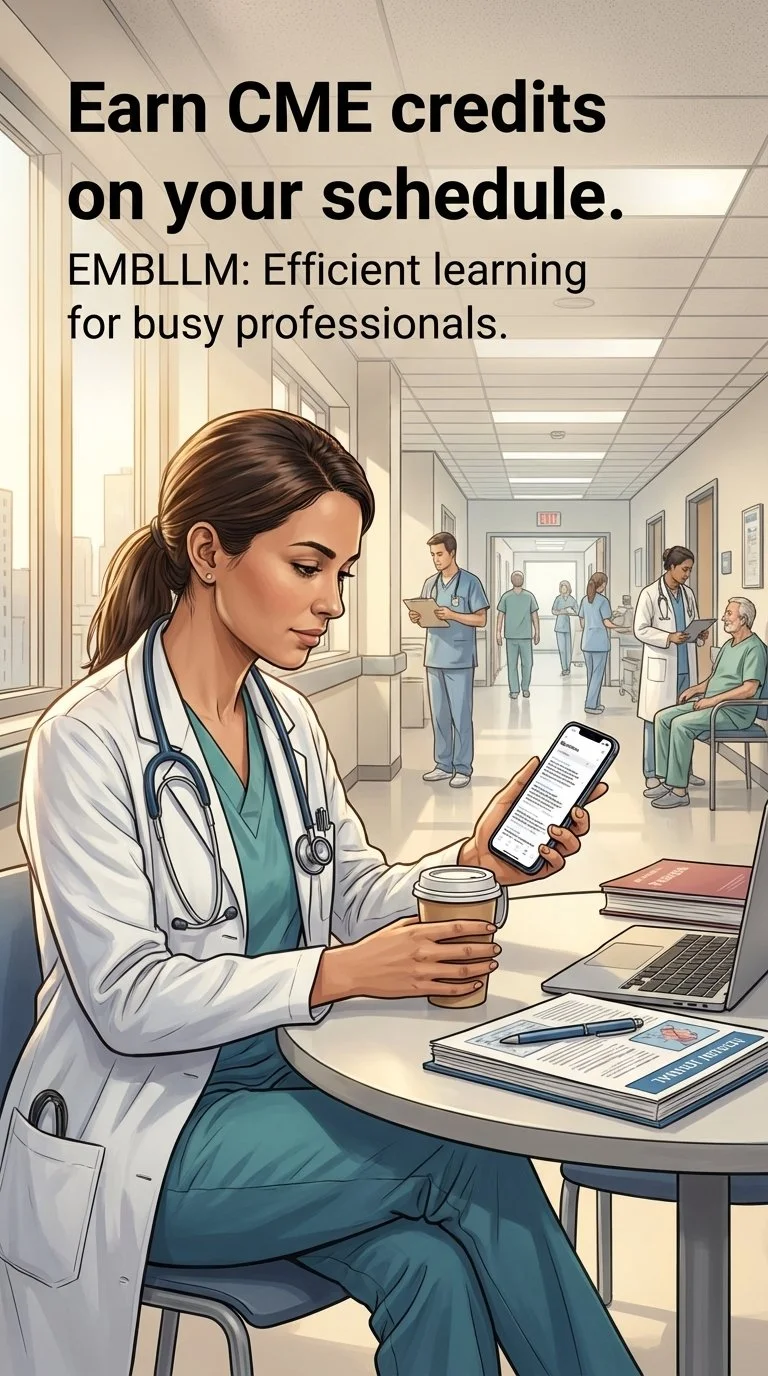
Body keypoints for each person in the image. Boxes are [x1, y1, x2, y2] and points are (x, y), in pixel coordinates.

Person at [0, 412, 641, 1376]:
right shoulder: (86, 741)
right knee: (464, 1153)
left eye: (341, 572)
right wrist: (339, 975)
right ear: (209, 552)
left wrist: (478, 865)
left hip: (288, 1104)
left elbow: (346, 891)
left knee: (435, 1268)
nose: (333, 602)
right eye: (308, 567)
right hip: (147, 1140)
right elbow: (129, 1000)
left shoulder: (286, 721)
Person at [649, 596, 768, 809]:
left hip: (734, 712)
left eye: (729, 614)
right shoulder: (728, 646)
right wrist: (695, 689)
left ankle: (678, 791)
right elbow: (714, 680)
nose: (723, 618)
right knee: (663, 717)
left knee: (681, 724)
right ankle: (667, 779)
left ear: (743, 619)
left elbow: (749, 689)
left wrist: (712, 700)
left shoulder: (755, 648)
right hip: (714, 705)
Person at [409, 532, 489, 788]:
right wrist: (417, 617)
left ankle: (463, 767)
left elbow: (481, 619)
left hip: (460, 659)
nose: (436, 560)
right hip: (434, 657)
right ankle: (443, 765)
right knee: (440, 716)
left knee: (461, 715)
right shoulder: (430, 583)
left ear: (453, 553)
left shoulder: (470, 583)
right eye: (432, 555)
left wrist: (453, 614)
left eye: (440, 554)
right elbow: (425, 615)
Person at [634, 545, 708, 792]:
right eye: (685, 569)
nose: (688, 574)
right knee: (655, 721)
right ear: (671, 567)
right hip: (662, 667)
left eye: (690, 570)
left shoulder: (688, 594)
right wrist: (667, 638)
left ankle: (684, 771)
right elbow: (640, 629)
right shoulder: (649, 594)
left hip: (686, 666)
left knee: (684, 720)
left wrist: (699, 635)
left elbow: (691, 623)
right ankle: (652, 773)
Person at [578, 573, 620, 714]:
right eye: (604, 584)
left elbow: (582, 622)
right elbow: (607, 622)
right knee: (597, 675)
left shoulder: (585, 600)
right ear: (601, 585)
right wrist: (621, 627)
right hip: (600, 643)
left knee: (591, 675)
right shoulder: (603, 600)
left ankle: (595, 703)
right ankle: (590, 706)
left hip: (587, 642)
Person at [497, 571, 539, 699]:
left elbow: (534, 615)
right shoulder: (506, 597)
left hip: (526, 636)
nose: (517, 578)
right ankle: (514, 690)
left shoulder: (529, 596)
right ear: (511, 580)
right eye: (515, 577)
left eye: (519, 576)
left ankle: (525, 687)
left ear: (523, 579)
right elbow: (500, 616)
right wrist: (498, 632)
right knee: (512, 664)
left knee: (528, 663)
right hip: (511, 636)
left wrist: (537, 631)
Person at [551, 580, 579, 676]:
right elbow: (553, 611)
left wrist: (570, 612)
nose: (563, 589)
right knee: (562, 649)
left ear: (568, 588)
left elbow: (578, 612)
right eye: (562, 587)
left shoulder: (572, 600)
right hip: (559, 626)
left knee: (568, 649)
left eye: (565, 587)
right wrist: (561, 612)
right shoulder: (558, 599)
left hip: (568, 626)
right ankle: (564, 668)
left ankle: (568, 668)